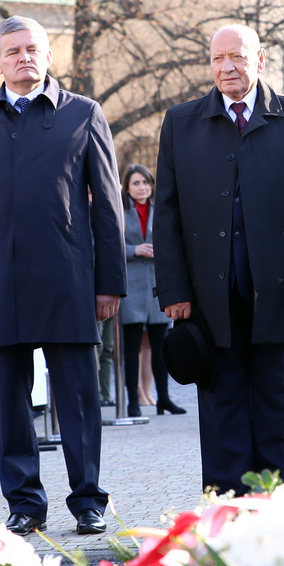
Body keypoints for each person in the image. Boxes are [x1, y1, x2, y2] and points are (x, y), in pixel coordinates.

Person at [0, 16, 124, 536]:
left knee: (79, 399)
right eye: (14, 50)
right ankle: (24, 502)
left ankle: (88, 500)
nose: (25, 57)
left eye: (33, 49)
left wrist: (109, 282)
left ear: (48, 57)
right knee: (11, 402)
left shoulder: (84, 114)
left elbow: (108, 205)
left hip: (69, 278)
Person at [158, 24, 284, 494]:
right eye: (218, 58)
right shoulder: (180, 122)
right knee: (221, 409)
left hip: (279, 290)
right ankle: (226, 510)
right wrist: (173, 290)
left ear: (260, 59)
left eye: (237, 56)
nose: (227, 67)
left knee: (279, 405)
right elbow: (167, 215)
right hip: (207, 295)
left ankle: (280, 505)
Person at [118, 163, 182, 416]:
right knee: (132, 348)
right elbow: (108, 244)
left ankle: (163, 398)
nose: (142, 187)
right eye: (136, 183)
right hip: (131, 286)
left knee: (160, 345)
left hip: (158, 284)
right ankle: (133, 402)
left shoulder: (162, 210)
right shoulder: (120, 211)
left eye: (145, 182)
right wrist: (134, 250)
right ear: (127, 187)